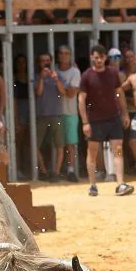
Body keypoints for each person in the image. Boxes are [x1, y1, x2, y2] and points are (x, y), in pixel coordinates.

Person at [80, 44, 133, 197]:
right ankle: (92, 185)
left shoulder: (112, 73)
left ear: (105, 58)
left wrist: (124, 114)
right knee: (93, 153)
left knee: (117, 149)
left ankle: (120, 184)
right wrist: (85, 122)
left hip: (113, 118)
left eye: (101, 57)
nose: (99, 60)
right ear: (91, 57)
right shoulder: (87, 76)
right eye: (96, 57)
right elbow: (81, 99)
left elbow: (119, 94)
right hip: (95, 120)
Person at [34, 51, 69, 181]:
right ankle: (43, 171)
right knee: (36, 145)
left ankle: (55, 172)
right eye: (43, 61)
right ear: (39, 63)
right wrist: (42, 78)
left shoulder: (58, 75)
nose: (45, 63)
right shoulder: (37, 76)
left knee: (60, 145)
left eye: (47, 60)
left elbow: (63, 92)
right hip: (42, 115)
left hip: (57, 114)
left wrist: (56, 80)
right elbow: (38, 92)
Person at [56, 45, 84, 182]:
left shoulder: (75, 72)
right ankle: (56, 170)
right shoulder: (53, 70)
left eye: (67, 53)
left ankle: (71, 170)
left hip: (70, 112)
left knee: (70, 144)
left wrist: (57, 83)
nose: (64, 56)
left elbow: (71, 93)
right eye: (61, 53)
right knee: (57, 144)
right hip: (54, 112)